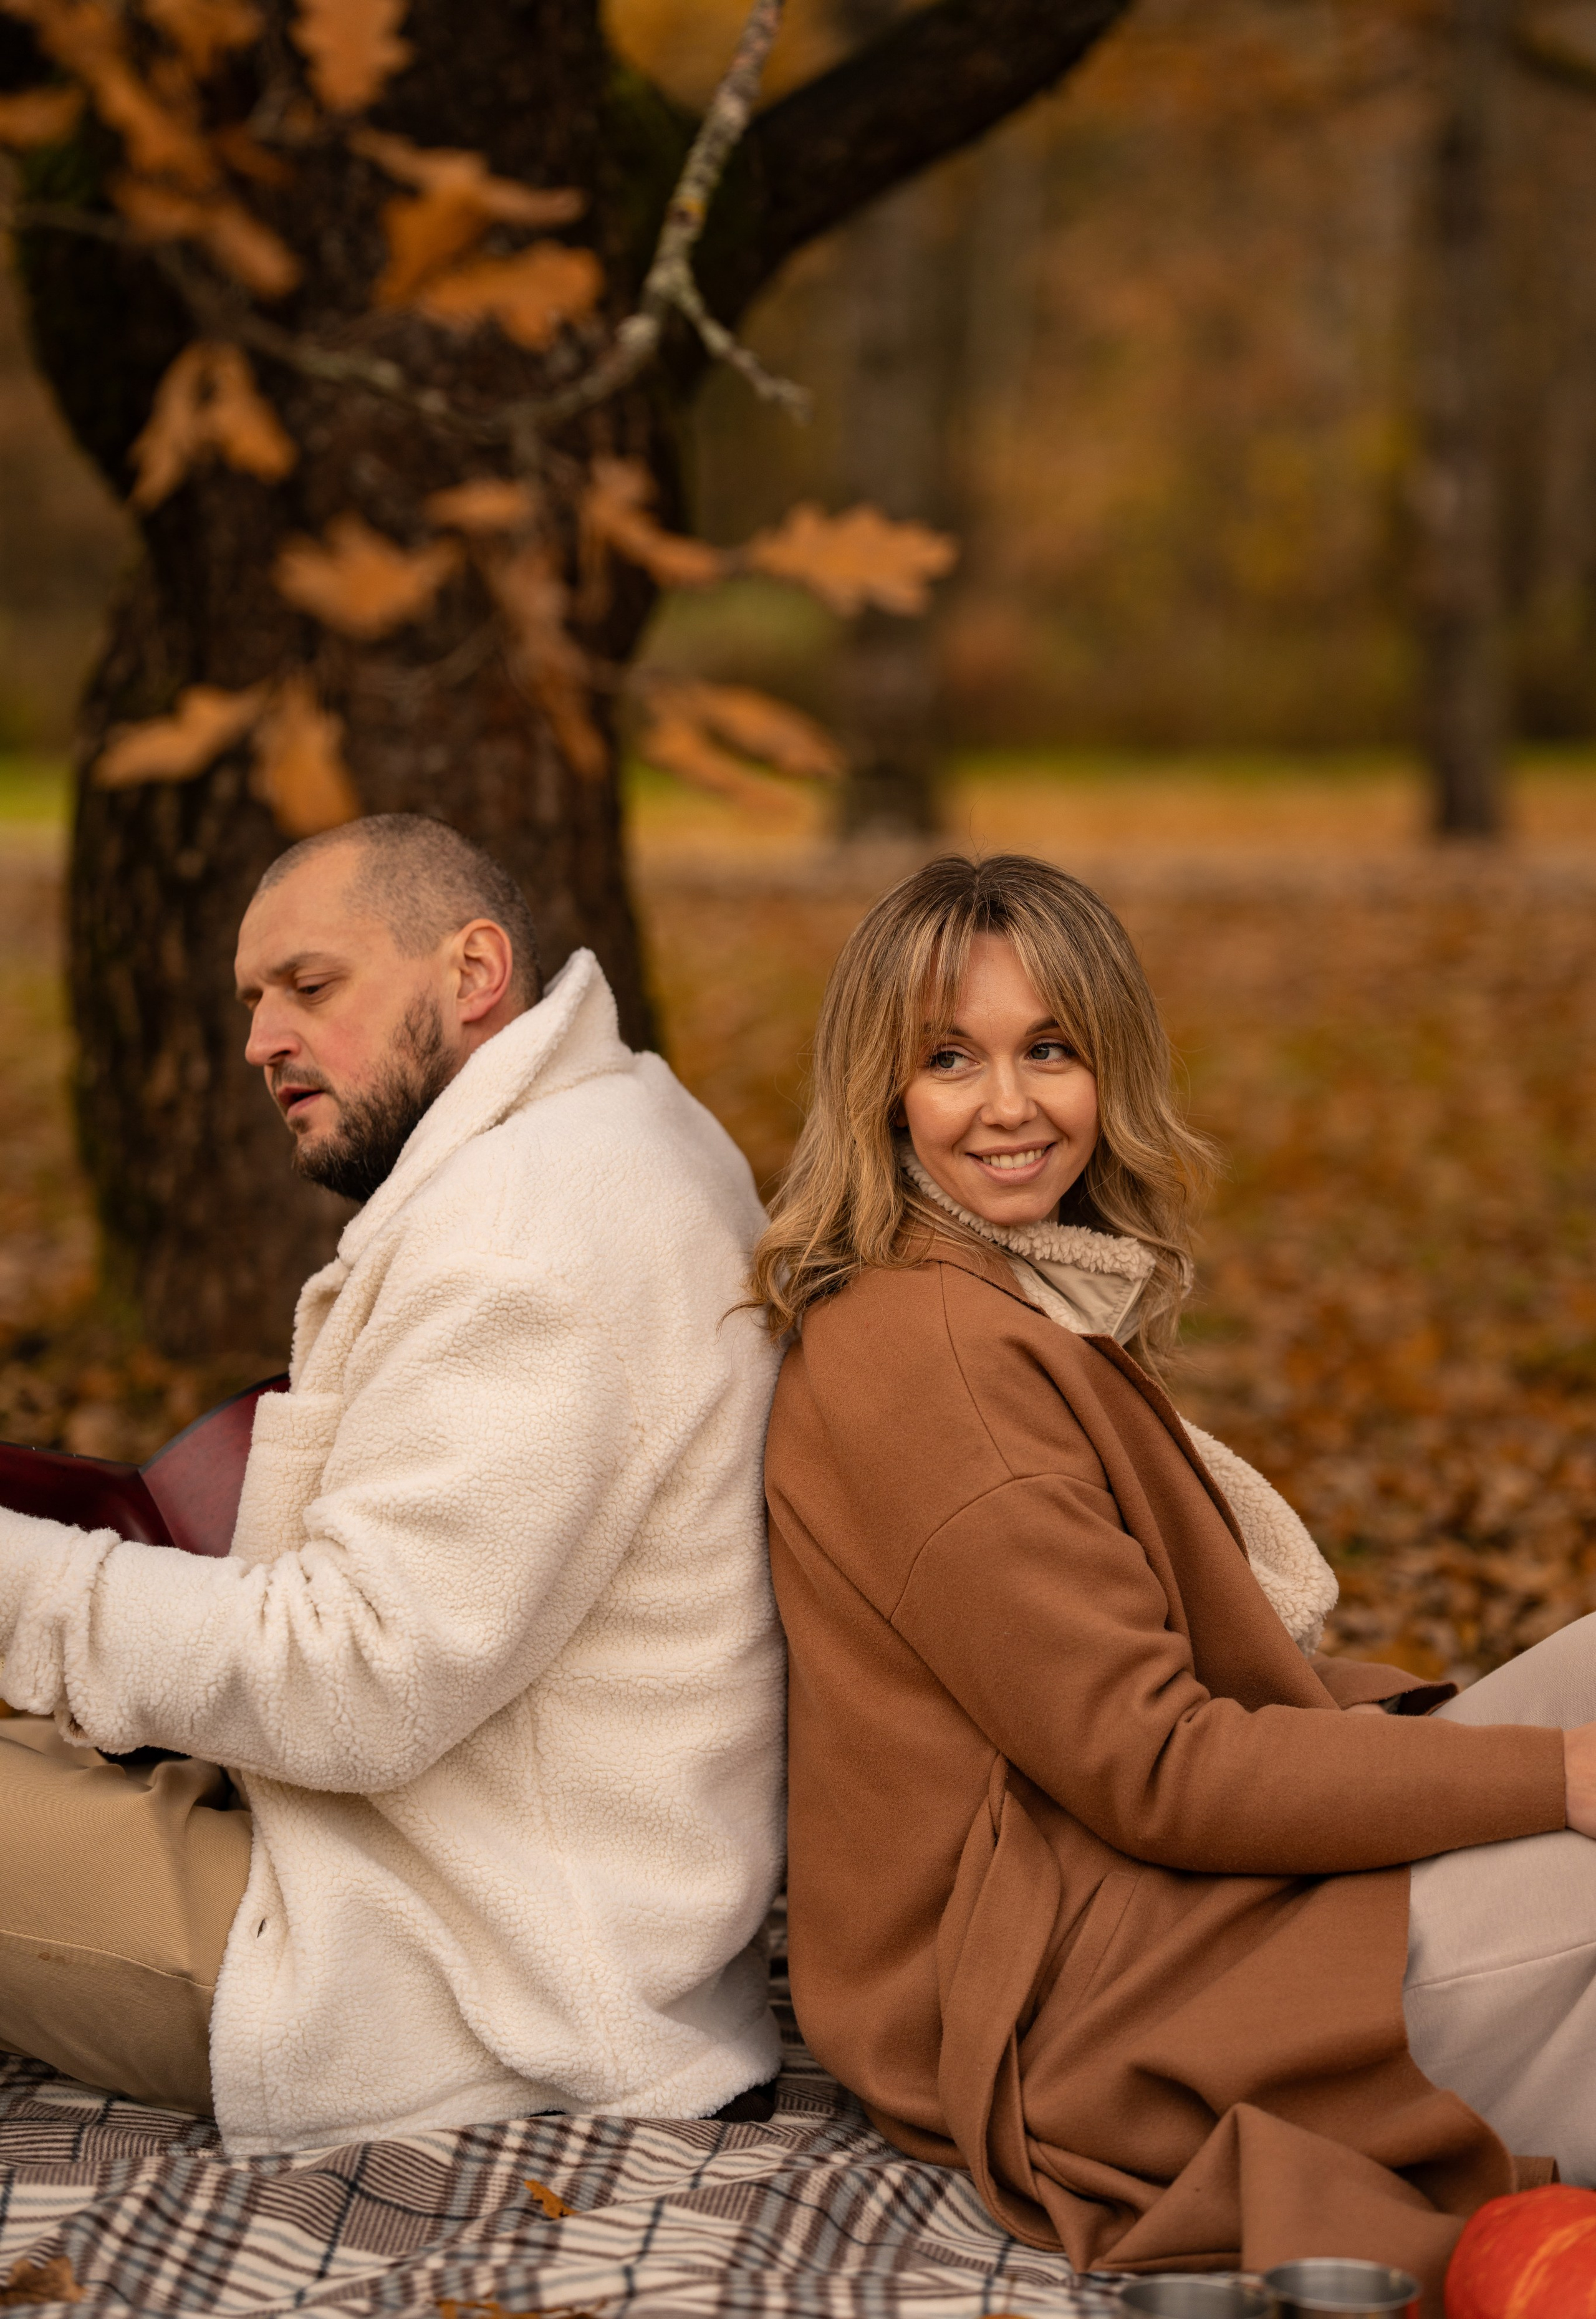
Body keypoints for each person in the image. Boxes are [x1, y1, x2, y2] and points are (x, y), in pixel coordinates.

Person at [757, 850, 1596, 2310]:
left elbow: (1162, 1695)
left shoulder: (999, 1294)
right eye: (948, 1058)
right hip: (1101, 1992)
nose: (1006, 1104)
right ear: (878, 1090)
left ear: (1109, 1064)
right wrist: (1557, 1778)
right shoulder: (934, 1359)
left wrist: (1460, 1747)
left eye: (1049, 1049)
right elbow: (1156, 1769)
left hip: (1144, 1889)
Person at [0, 814, 784, 2154]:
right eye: (254, 1002)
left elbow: (354, 1682)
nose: (262, 1041)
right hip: (495, 1893)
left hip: (446, 1977)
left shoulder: (528, 1240)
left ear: (473, 972)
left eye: (310, 986)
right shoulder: (605, 1130)